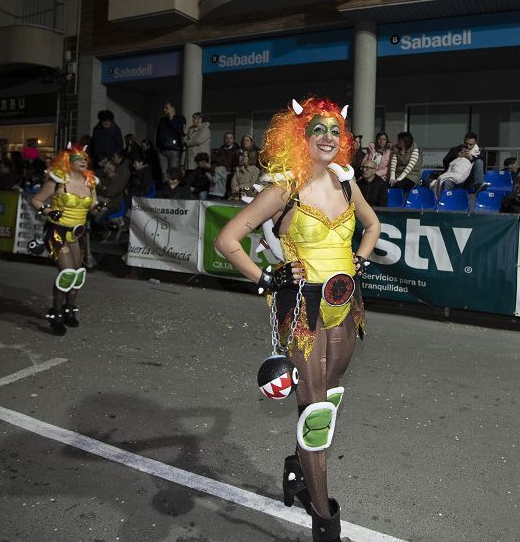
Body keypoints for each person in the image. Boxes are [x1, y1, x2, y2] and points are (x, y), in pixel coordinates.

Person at [215, 97, 380, 542]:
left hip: (345, 304)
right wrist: (266, 277)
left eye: (334, 131)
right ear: (300, 137)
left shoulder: (347, 185)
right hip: (303, 310)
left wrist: (361, 259)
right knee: (315, 411)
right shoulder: (283, 188)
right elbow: (227, 240)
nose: (328, 137)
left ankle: (297, 471)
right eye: (318, 130)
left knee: (330, 395)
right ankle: (324, 521)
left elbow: (373, 226)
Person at [30, 145, 105, 335]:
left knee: (78, 275)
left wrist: (99, 208)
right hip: (57, 232)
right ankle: (55, 314)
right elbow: (36, 200)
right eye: (78, 158)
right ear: (67, 161)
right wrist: (47, 211)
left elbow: (92, 208)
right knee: (68, 273)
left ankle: (69, 310)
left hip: (77, 234)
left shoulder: (91, 182)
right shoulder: (57, 180)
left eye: (85, 158)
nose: (82, 160)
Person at [156, 102, 186, 179]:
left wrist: (171, 118)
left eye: (166, 108)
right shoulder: (162, 120)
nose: (164, 110)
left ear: (172, 108)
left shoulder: (180, 118)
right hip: (162, 149)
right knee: (163, 171)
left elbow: (180, 131)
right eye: (164, 108)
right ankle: (166, 188)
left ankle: (173, 188)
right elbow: (159, 132)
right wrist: (157, 145)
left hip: (174, 149)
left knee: (173, 170)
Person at [212, 132, 241, 199]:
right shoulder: (220, 150)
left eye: (230, 138)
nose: (228, 140)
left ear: (233, 140)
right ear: (224, 139)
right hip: (221, 174)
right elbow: (215, 162)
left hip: (231, 174)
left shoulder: (237, 150)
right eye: (226, 138)